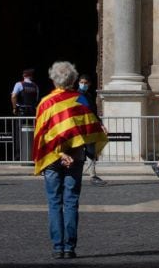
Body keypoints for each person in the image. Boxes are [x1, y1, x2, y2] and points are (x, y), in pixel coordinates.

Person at [33, 61, 107, 260]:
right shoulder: (81, 101)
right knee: (71, 201)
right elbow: (90, 127)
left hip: (52, 158)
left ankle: (58, 247)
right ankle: (69, 247)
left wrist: (58, 153)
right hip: (76, 156)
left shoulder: (45, 103)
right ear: (74, 80)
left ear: (53, 79)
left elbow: (43, 134)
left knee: (54, 202)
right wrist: (75, 152)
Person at [76, 74, 106, 186]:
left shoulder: (88, 95)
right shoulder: (75, 95)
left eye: (85, 83)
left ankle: (92, 175)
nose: (83, 84)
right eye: (81, 82)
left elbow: (93, 112)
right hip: (80, 127)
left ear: (89, 84)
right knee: (77, 151)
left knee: (91, 151)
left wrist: (101, 124)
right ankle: (74, 174)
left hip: (89, 128)